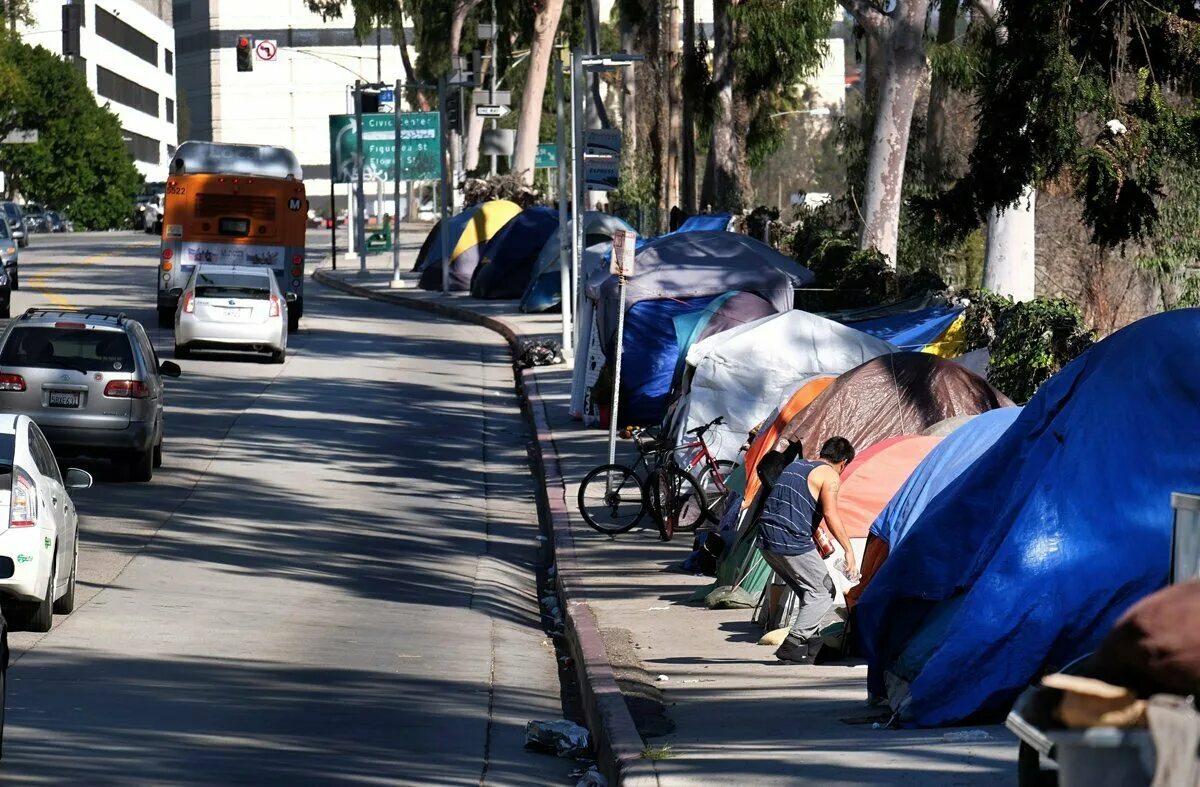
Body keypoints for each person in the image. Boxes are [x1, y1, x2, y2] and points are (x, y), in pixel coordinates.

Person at [757, 436, 857, 663]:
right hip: (789, 538)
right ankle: (792, 645)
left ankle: (814, 646)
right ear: (843, 463)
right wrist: (849, 550)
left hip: (765, 538)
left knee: (807, 591)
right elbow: (831, 514)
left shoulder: (797, 465)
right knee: (823, 591)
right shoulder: (830, 475)